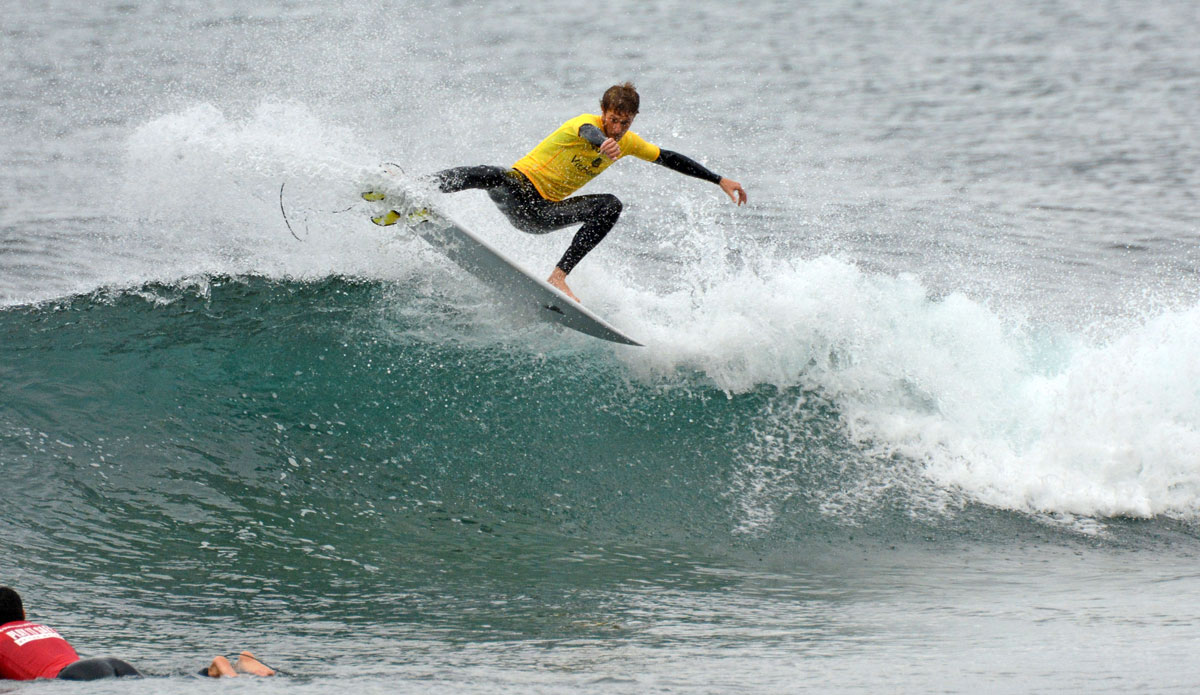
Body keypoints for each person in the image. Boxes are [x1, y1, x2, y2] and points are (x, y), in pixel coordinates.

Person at [430, 82, 748, 301]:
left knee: (611, 205)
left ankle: (558, 276)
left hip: (544, 213)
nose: (618, 129)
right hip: (519, 192)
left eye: (625, 123)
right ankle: (420, 185)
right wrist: (601, 142)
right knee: (494, 174)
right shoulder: (585, 124)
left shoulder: (629, 142)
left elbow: (669, 158)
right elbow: (589, 132)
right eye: (614, 120)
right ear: (603, 111)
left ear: (633, 119)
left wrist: (719, 180)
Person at [0, 587, 275, 681]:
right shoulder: (41, 627)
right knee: (160, 682)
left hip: (73, 677)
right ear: (23, 614)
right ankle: (233, 666)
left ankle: (220, 670)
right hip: (100, 663)